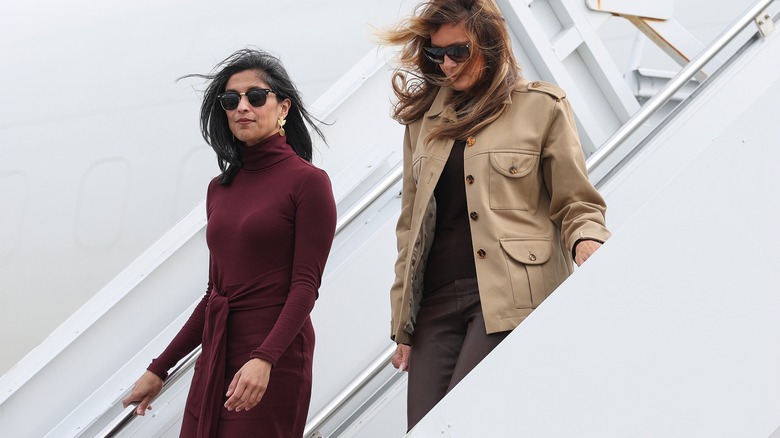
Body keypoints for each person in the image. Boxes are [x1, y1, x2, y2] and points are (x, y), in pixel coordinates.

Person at [380, 0, 612, 430]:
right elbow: (410, 227)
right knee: (426, 427)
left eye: (458, 51)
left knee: (471, 418)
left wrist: (586, 239)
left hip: (509, 294)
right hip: (435, 305)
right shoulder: (422, 124)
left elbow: (575, 200)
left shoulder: (541, 106)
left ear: (490, 41)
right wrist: (403, 326)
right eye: (436, 54)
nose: (447, 64)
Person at [122, 48, 337, 437]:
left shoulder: (308, 182)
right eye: (230, 99)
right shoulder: (219, 189)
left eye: (256, 97)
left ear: (282, 107)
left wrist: (264, 359)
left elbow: (306, 286)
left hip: (273, 356)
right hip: (217, 351)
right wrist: (159, 368)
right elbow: (215, 293)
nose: (243, 107)